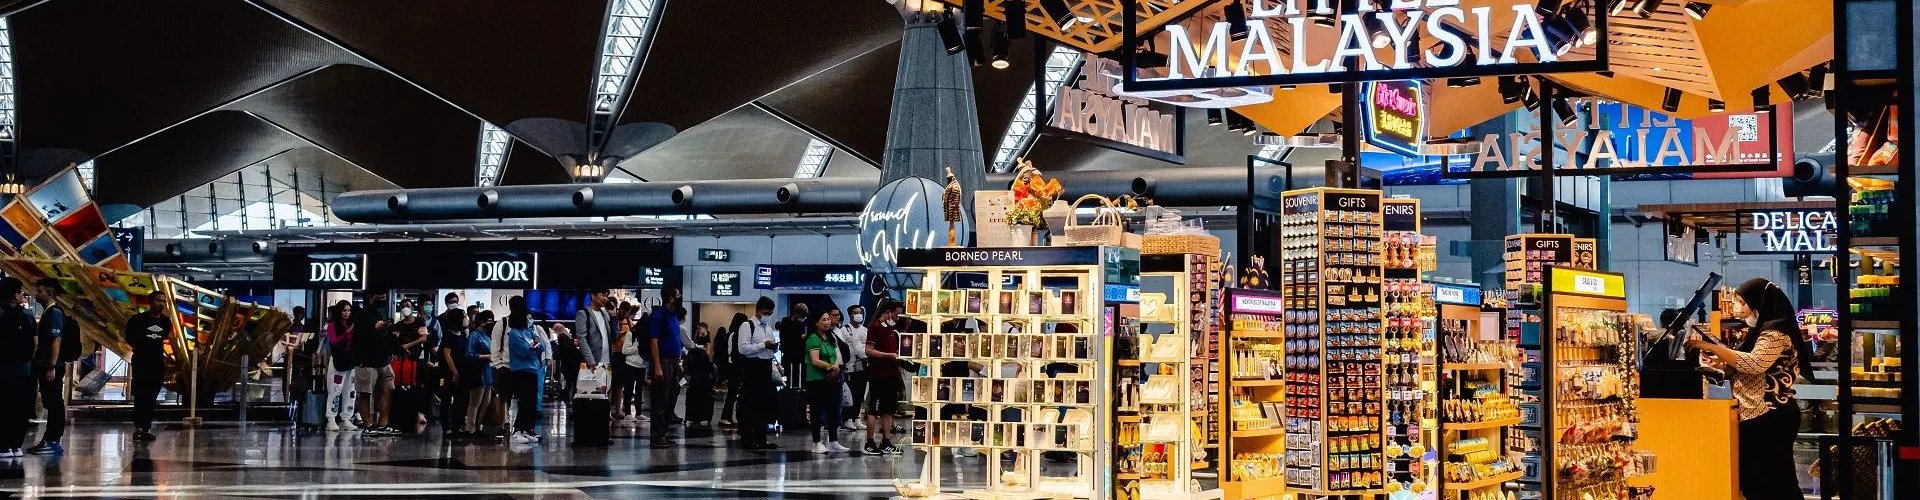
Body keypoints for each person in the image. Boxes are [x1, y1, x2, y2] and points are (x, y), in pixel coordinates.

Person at [1686, 278, 1816, 500]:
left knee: (1773, 484)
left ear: (1759, 302)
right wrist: (1724, 365)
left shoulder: (1775, 333)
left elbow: (1756, 363)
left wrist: (1709, 346)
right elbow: (1747, 366)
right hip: (1759, 415)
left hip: (1769, 415)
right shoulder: (1760, 331)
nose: (1739, 307)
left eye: (1742, 301)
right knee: (1762, 482)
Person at [24, 279, 78, 455]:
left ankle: (53, 440)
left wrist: (52, 366)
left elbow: (56, 340)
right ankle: (50, 439)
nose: (36, 294)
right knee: (51, 401)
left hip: (52, 366)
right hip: (48, 365)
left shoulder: (54, 313)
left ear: (49, 292)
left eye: (40, 291)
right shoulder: (49, 312)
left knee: (54, 402)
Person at [493, 296, 549, 445]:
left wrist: (535, 347)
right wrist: (498, 365)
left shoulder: (529, 330)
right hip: (515, 368)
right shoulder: (511, 331)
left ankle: (527, 428)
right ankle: (513, 428)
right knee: (517, 400)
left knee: (530, 401)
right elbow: (525, 351)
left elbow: (541, 345)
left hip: (532, 369)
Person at [734, 298, 780, 450]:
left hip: (766, 367)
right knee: (750, 405)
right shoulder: (747, 326)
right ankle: (747, 439)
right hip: (752, 368)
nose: (768, 316)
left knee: (764, 405)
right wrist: (763, 345)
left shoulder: (768, 328)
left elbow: (769, 347)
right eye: (766, 313)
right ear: (758, 311)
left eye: (770, 313)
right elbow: (743, 349)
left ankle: (761, 438)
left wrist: (773, 348)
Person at [124, 289, 169, 443]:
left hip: (157, 362)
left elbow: (165, 337)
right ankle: (139, 428)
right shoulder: (137, 320)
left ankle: (146, 427)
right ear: (150, 302)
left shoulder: (165, 321)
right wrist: (142, 346)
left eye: (163, 301)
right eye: (158, 300)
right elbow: (129, 338)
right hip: (142, 361)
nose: (161, 304)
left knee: (152, 395)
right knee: (141, 394)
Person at [805, 308, 851, 454]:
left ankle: (833, 441)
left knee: (834, 410)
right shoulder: (813, 338)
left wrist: (836, 368)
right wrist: (830, 367)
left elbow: (836, 355)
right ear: (816, 322)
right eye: (823, 320)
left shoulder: (831, 337)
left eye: (828, 319)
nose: (827, 322)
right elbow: (815, 360)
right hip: (817, 380)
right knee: (817, 411)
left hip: (832, 379)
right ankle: (816, 442)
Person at [353, 296, 401, 436]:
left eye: (384, 296)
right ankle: (368, 425)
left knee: (388, 389)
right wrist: (380, 326)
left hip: (382, 360)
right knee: (365, 392)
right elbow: (368, 331)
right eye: (380, 296)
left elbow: (383, 332)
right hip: (366, 361)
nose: (383, 299)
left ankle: (383, 424)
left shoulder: (381, 312)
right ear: (372, 296)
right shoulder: (363, 315)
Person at [862, 299, 905, 455]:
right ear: (887, 313)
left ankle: (886, 441)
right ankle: (869, 442)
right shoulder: (875, 327)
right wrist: (888, 355)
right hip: (878, 375)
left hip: (891, 374)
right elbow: (868, 350)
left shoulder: (892, 330)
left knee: (889, 410)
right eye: (896, 315)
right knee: (874, 409)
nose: (898, 318)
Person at [0, 278, 36, 456]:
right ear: (15, 294)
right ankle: (16, 446)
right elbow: (34, 342)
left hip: (3, 369)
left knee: (4, 407)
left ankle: (3, 446)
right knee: (20, 408)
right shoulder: (27, 315)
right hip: (24, 369)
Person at [647, 288, 686, 447]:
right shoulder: (658, 315)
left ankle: (663, 433)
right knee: (661, 400)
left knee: (671, 399)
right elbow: (653, 341)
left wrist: (679, 363)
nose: (680, 297)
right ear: (670, 298)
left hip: (674, 361)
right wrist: (657, 366)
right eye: (678, 295)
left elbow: (675, 339)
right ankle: (657, 436)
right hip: (663, 361)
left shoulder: (674, 315)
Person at [574, 290, 619, 419]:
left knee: (604, 396)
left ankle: (601, 422)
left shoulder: (605, 314)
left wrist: (614, 316)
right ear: (593, 296)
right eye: (602, 295)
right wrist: (590, 360)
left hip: (607, 363)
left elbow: (615, 336)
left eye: (607, 296)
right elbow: (582, 338)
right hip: (592, 363)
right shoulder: (583, 314)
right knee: (589, 396)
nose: (605, 298)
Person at [322, 301, 358, 432]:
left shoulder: (353, 324)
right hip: (338, 360)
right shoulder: (331, 325)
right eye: (344, 310)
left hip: (351, 361)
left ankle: (346, 417)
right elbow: (333, 341)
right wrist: (347, 332)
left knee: (351, 391)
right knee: (335, 390)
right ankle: (331, 418)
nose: (346, 313)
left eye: (348, 310)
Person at [438, 309, 471, 437]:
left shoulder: (462, 334)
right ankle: (446, 427)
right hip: (449, 371)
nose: (466, 319)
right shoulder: (448, 335)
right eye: (464, 316)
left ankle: (458, 424)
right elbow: (447, 356)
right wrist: (455, 373)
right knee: (446, 399)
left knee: (460, 399)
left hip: (461, 370)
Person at [467, 311, 499, 438]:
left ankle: (478, 426)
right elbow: (469, 355)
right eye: (489, 321)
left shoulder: (487, 335)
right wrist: (484, 356)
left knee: (486, 402)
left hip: (487, 372)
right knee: (475, 402)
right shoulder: (474, 335)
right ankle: (470, 428)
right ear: (482, 322)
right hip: (477, 372)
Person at [837, 305, 869, 432]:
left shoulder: (864, 330)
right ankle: (847, 419)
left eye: (860, 312)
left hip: (861, 367)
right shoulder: (844, 330)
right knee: (849, 394)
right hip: (849, 367)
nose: (859, 315)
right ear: (850, 315)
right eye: (856, 313)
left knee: (859, 394)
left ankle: (856, 418)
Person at [685, 321, 716, 427]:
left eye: (700, 328)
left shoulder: (706, 339)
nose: (698, 330)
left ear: (705, 328)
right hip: (697, 367)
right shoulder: (697, 337)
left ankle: (697, 416)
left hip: (701, 367)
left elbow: (707, 352)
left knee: (699, 391)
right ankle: (697, 416)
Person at [777, 303, 810, 388]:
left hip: (794, 357)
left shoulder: (788, 322)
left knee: (796, 381)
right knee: (791, 382)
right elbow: (790, 338)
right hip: (792, 357)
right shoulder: (790, 323)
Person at [551, 322, 581, 404]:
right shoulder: (564, 336)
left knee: (569, 381)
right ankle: (569, 397)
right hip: (571, 362)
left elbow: (564, 350)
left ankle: (567, 396)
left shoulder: (562, 336)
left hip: (568, 362)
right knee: (572, 381)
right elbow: (567, 348)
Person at [713, 324, 737, 427]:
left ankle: (728, 416)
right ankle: (726, 417)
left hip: (727, 365)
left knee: (731, 394)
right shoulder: (734, 335)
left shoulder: (728, 336)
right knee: (732, 394)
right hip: (733, 367)